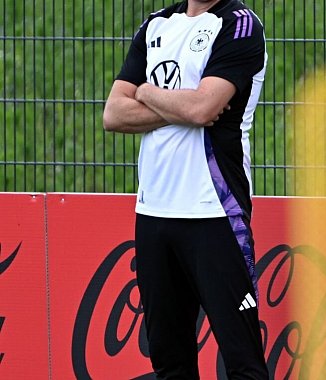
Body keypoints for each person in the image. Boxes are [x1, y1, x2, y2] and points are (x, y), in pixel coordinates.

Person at [102, 0, 268, 378]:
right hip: (154, 213)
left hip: (214, 211)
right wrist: (179, 103)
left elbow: (203, 108)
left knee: (242, 362)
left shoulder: (239, 24)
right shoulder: (157, 24)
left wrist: (145, 93)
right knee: (170, 362)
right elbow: (113, 114)